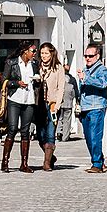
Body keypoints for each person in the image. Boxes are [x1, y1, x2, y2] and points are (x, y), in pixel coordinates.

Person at [0, 44, 43, 173]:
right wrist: (16, 83)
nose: (35, 53)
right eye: (33, 51)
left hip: (29, 100)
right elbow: (4, 80)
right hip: (14, 99)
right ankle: (5, 161)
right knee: (12, 128)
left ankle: (24, 163)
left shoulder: (34, 64)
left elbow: (36, 80)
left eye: (35, 51)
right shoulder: (11, 63)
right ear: (25, 51)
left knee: (26, 131)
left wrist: (38, 80)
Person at [76, 44, 107, 173]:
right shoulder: (85, 70)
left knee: (95, 136)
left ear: (97, 56)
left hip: (97, 106)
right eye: (86, 56)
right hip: (85, 108)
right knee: (88, 137)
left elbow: (103, 83)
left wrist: (86, 78)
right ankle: (100, 161)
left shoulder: (102, 70)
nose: (88, 58)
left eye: (91, 56)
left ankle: (96, 164)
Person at [38, 43, 68, 171]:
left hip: (52, 103)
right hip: (39, 104)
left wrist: (57, 103)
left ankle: (47, 163)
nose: (44, 56)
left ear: (51, 53)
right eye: (42, 53)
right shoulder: (37, 66)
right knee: (40, 134)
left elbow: (61, 87)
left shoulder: (58, 67)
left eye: (46, 53)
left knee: (50, 132)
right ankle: (51, 156)